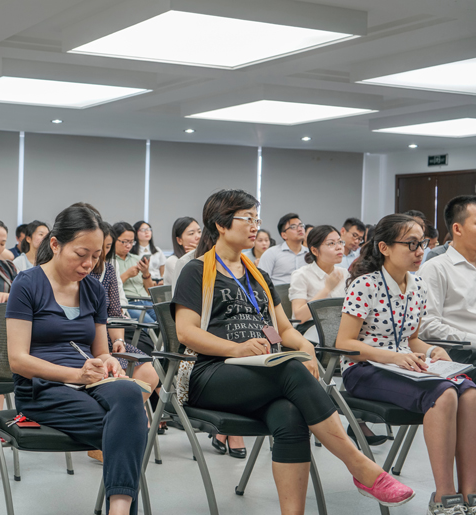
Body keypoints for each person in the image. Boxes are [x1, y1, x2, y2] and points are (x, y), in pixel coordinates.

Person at [172, 189, 414, 512]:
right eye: (247, 219)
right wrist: (238, 348)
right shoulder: (197, 271)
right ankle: (361, 467)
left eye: (257, 219)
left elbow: (282, 329)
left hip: (257, 370)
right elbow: (186, 333)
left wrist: (304, 347)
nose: (255, 225)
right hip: (210, 373)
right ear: (220, 225)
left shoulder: (258, 276)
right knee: (288, 370)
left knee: (289, 415)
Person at [7, 206, 148, 515]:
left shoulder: (94, 290)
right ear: (55, 244)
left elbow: (100, 352)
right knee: (132, 426)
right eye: (82, 254)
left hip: (88, 379)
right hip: (42, 388)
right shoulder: (27, 284)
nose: (89, 264)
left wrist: (108, 363)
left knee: (129, 393)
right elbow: (17, 360)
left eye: (97, 256)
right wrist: (75, 374)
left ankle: (118, 511)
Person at [336, 213, 476, 515]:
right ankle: (444, 496)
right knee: (444, 393)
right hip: (364, 370)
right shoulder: (365, 285)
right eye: (411, 244)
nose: (419, 251)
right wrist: (394, 356)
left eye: (422, 243)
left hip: (403, 366)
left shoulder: (417, 286)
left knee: (471, 392)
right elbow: (345, 345)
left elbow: (410, 340)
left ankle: (471, 493)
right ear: (384, 247)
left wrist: (433, 350)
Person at [92, 221, 159, 394]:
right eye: (124, 241)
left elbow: (115, 311)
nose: (101, 253)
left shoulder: (110, 268)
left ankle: (154, 402)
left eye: (107, 247)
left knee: (150, 372)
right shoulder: (80, 270)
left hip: (118, 323)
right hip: (95, 333)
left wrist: (118, 340)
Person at [419, 195, 476, 365]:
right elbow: (426, 326)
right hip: (460, 353)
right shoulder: (436, 268)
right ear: (457, 229)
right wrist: (473, 339)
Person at [289, 225, 349, 328]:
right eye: (331, 243)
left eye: (340, 242)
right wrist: (327, 289)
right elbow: (298, 318)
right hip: (312, 329)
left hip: (339, 327)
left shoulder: (345, 273)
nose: (339, 247)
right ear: (315, 251)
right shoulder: (301, 275)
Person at [111, 222, 155, 323]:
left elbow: (149, 292)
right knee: (150, 324)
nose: (129, 246)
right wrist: (127, 274)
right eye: (125, 242)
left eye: (131, 242)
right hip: (129, 304)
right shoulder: (110, 261)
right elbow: (109, 288)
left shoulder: (136, 258)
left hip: (147, 302)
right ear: (113, 239)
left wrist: (145, 273)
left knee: (168, 322)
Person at [257, 213, 308, 285]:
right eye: (293, 227)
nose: (300, 229)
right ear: (284, 235)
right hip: (278, 294)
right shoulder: (271, 253)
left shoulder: (310, 254)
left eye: (301, 226)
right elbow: (261, 281)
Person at [163, 217, 201, 286]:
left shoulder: (207, 256)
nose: (198, 236)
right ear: (179, 240)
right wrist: (196, 257)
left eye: (199, 232)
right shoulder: (173, 261)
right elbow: (190, 285)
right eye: (191, 233)